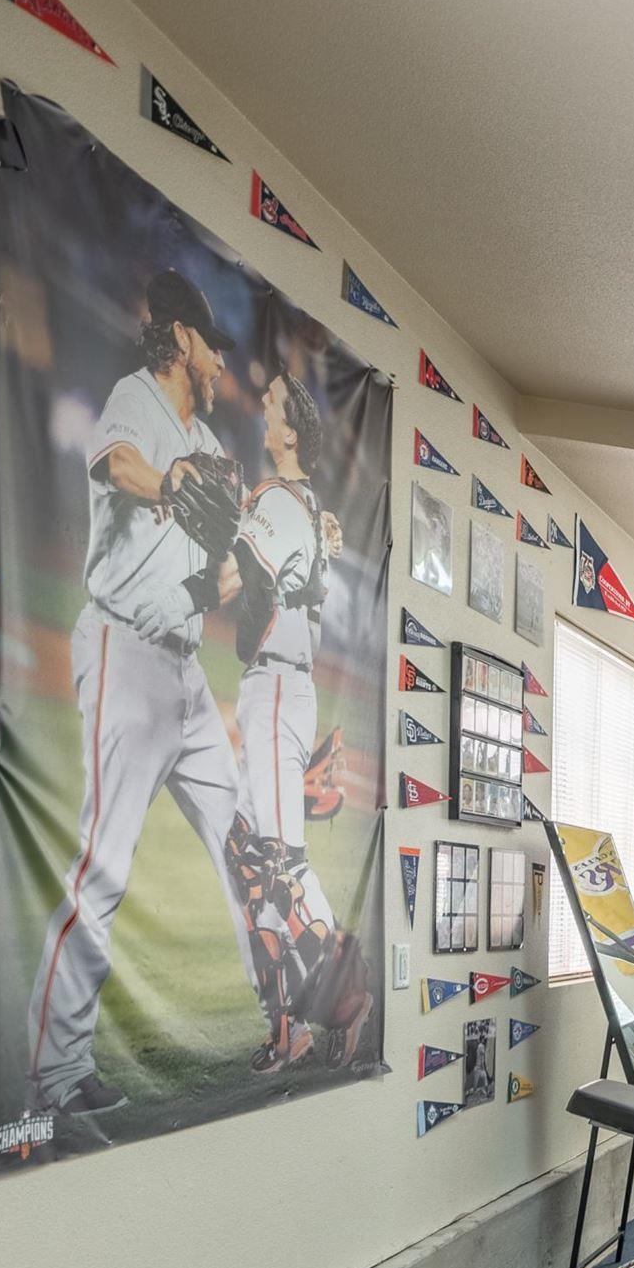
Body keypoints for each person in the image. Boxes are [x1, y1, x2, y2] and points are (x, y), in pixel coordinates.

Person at [21, 269, 254, 1121]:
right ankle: (52, 1079)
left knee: (248, 850)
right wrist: (171, 483)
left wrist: (226, 576)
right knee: (105, 867)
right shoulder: (138, 400)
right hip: (122, 652)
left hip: (184, 669)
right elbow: (114, 460)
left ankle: (291, 1019)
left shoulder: (214, 442)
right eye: (214, 343)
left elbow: (212, 574)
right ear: (182, 341)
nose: (223, 359)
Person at [220, 371, 356, 1071]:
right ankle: (290, 1026)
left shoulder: (277, 499)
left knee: (276, 861)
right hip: (280, 685)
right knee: (249, 853)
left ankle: (354, 995)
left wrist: (214, 527)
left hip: (275, 685)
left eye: (271, 405)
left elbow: (231, 585)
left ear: (291, 433)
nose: (261, 408)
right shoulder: (303, 504)